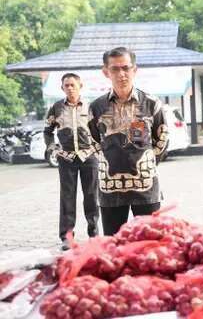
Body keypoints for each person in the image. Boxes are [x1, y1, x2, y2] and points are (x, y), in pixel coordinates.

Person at [88, 47, 169, 235]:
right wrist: (113, 161)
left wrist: (142, 165)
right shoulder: (97, 107)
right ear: (105, 72)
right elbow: (93, 142)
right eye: (115, 69)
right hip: (110, 189)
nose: (121, 74)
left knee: (151, 244)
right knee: (113, 245)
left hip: (146, 188)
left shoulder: (151, 104)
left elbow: (162, 141)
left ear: (135, 70)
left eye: (126, 68)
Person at [44, 73, 100, 250]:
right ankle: (67, 237)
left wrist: (98, 150)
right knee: (67, 197)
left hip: (88, 157)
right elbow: (47, 131)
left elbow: (102, 130)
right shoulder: (56, 108)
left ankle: (94, 234)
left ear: (80, 86)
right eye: (66, 85)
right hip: (66, 158)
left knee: (92, 196)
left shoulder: (92, 107)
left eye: (72, 85)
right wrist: (54, 149)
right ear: (62, 88)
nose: (70, 88)